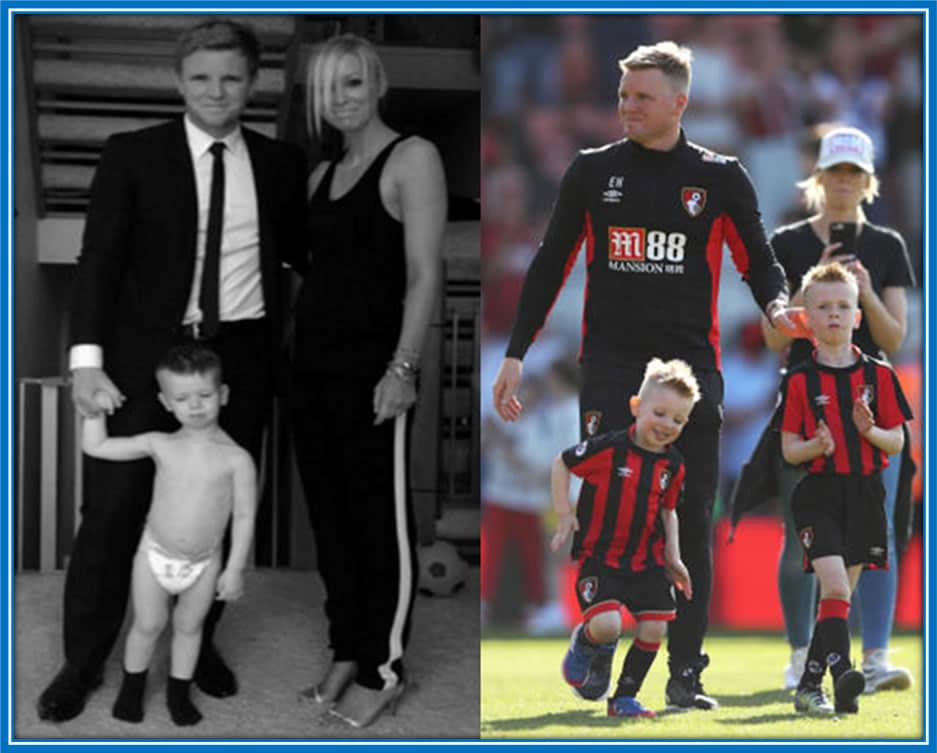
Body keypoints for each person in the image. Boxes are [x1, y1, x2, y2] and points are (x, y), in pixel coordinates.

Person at [491, 40, 793, 710]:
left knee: (690, 515)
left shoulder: (719, 176)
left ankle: (685, 672)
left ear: (679, 103)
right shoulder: (592, 171)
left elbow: (759, 258)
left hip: (690, 371)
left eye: (641, 97)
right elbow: (550, 262)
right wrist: (517, 349)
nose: (625, 106)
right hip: (611, 367)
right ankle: (596, 638)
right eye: (623, 95)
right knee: (603, 509)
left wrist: (776, 304)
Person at [37, 19, 308, 723]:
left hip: (239, 360)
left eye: (230, 77)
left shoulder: (282, 165)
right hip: (138, 360)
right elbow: (98, 260)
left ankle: (199, 643)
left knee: (211, 514)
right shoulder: (132, 153)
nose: (216, 91)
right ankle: (84, 658)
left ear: (253, 83)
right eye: (201, 78)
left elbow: (312, 256)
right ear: (177, 82)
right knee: (112, 511)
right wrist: (86, 362)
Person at [290, 33, 447, 728]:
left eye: (352, 83)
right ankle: (345, 647)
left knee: (376, 523)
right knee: (330, 521)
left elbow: (423, 275)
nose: (341, 100)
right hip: (311, 371)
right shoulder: (320, 174)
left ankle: (384, 664)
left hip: (374, 373)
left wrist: (402, 369)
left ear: (378, 82)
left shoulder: (411, 157)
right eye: (328, 89)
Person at [759, 126, 916, 693]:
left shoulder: (887, 246)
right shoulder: (787, 242)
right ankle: (802, 654)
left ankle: (873, 656)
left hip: (871, 401)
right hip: (806, 398)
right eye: (835, 173)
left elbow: (894, 338)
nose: (844, 183)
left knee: (878, 532)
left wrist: (864, 292)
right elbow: (773, 338)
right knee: (799, 531)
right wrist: (811, 292)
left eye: (854, 174)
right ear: (819, 178)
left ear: (868, 181)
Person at [82, 345, 255, 726]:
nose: (194, 406)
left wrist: (235, 569)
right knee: (147, 624)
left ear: (222, 395)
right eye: (182, 398)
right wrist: (93, 410)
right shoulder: (161, 444)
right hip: (154, 554)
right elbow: (96, 446)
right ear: (166, 402)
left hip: (205, 561)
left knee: (190, 627)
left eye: (205, 395)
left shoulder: (237, 458)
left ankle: (179, 693)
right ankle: (132, 689)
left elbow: (244, 516)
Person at [778, 262, 911, 716]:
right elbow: (789, 449)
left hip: (865, 495)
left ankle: (816, 684)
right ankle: (839, 675)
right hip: (818, 494)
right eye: (823, 307)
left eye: (843, 306)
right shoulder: (798, 380)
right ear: (806, 318)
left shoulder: (880, 375)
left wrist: (870, 431)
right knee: (833, 587)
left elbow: (897, 440)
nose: (834, 314)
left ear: (857, 315)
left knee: (838, 599)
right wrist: (816, 444)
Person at [551, 358, 697, 719]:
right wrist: (565, 513)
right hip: (599, 558)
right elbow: (562, 463)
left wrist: (674, 558)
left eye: (677, 420)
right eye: (659, 413)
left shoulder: (674, 465)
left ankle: (624, 698)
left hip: (646, 561)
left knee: (655, 625)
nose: (667, 425)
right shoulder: (609, 448)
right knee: (607, 625)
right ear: (636, 407)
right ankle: (588, 643)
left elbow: (668, 510)